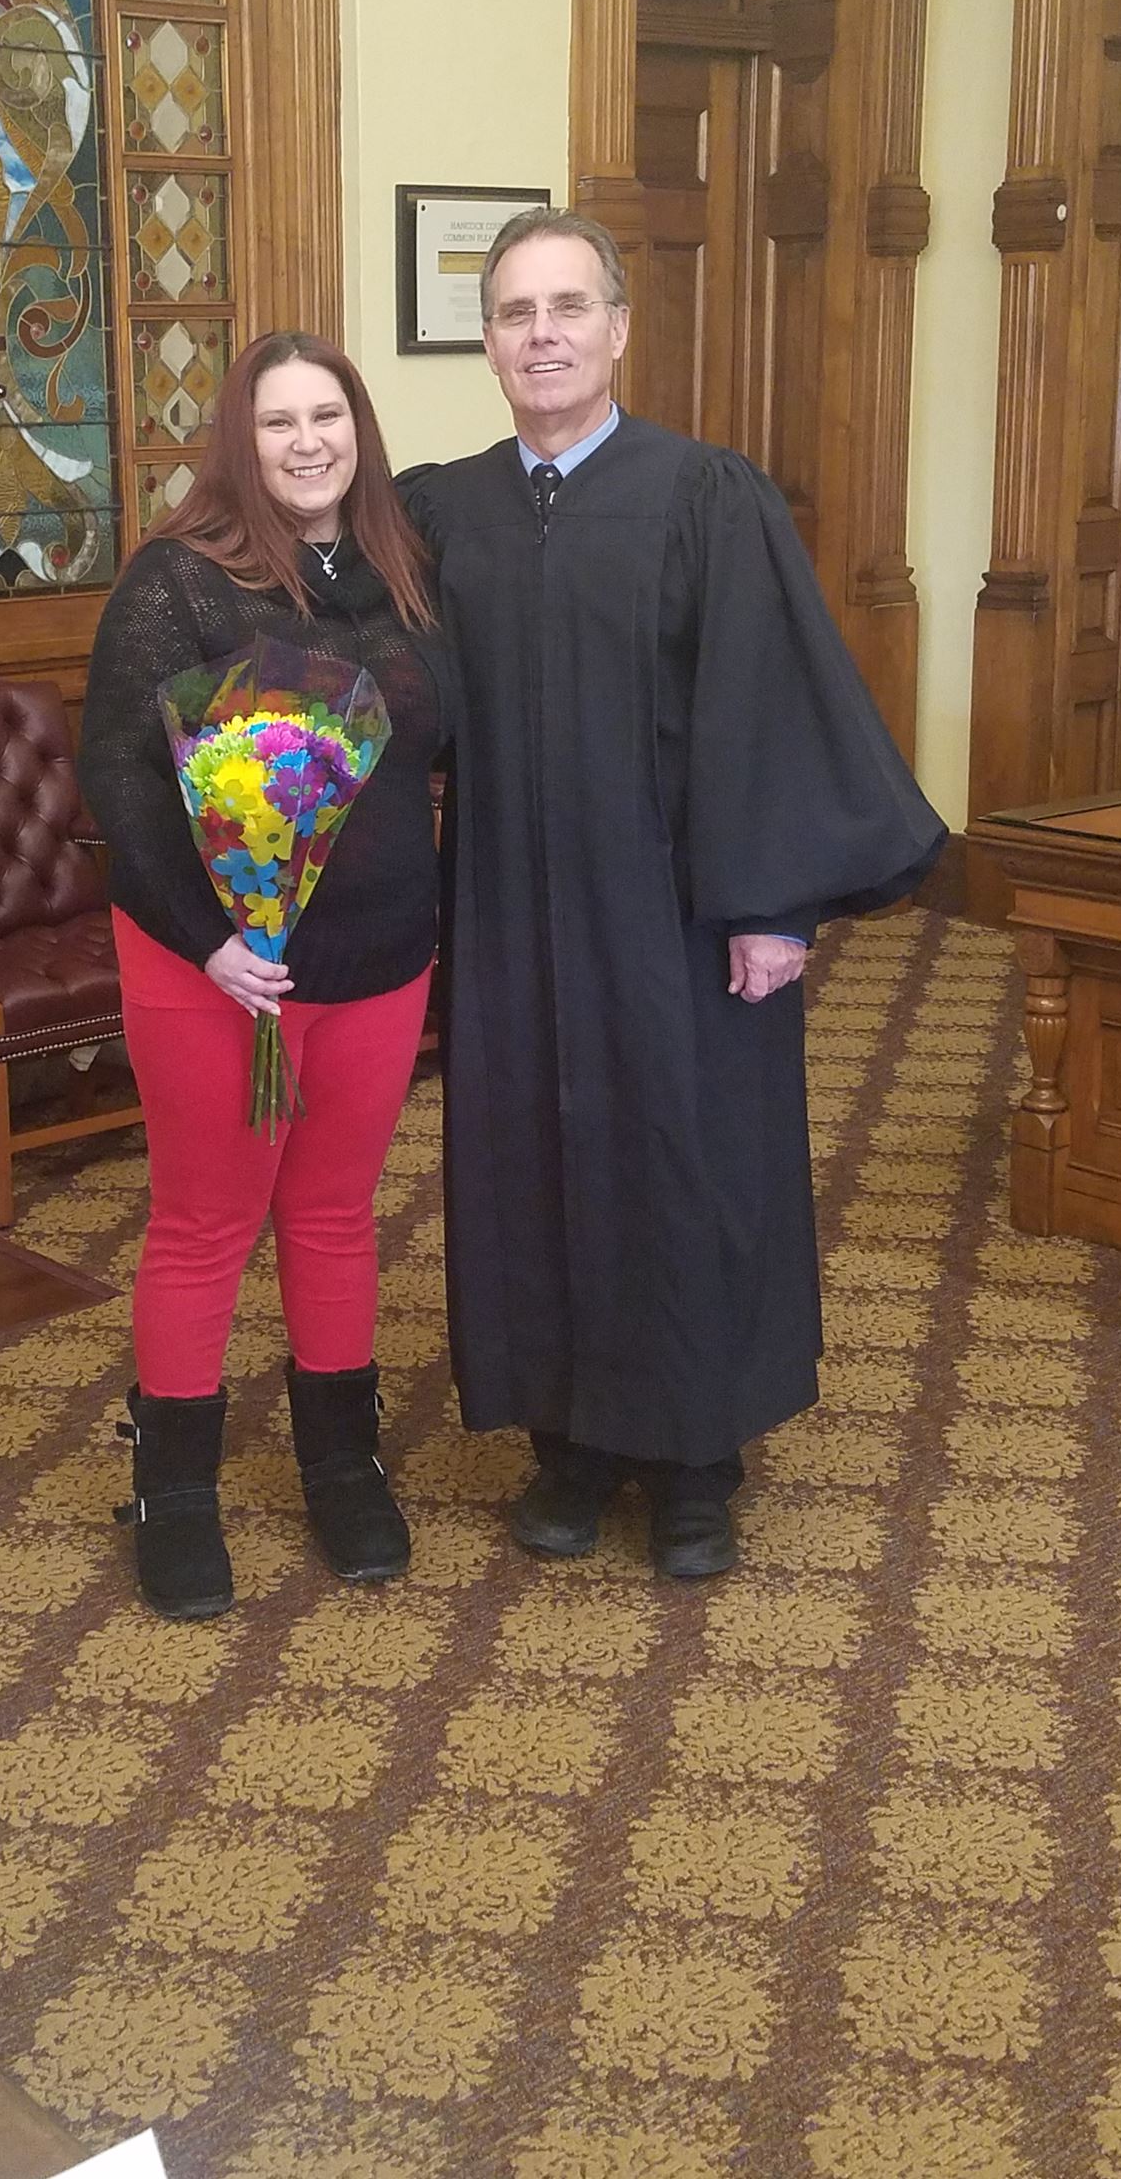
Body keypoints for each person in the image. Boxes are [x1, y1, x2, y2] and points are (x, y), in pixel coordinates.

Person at [401, 208, 944, 1579]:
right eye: (515, 314)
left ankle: (698, 1455)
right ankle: (568, 1443)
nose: (541, 335)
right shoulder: (442, 511)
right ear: (487, 343)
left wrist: (773, 904)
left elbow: (766, 701)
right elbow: (384, 696)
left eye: (566, 308)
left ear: (618, 329)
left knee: (686, 1162)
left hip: (677, 910)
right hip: (514, 911)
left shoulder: (707, 496)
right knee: (534, 1160)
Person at [80, 332, 448, 1621]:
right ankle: (173, 1491)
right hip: (220, 964)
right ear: (244, 439)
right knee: (206, 1222)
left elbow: (432, 747)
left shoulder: (404, 564)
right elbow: (119, 776)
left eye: (328, 417)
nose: (307, 443)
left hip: (383, 951)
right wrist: (211, 940)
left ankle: (341, 1465)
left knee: (338, 1211)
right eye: (280, 422)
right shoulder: (180, 581)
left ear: (359, 429)